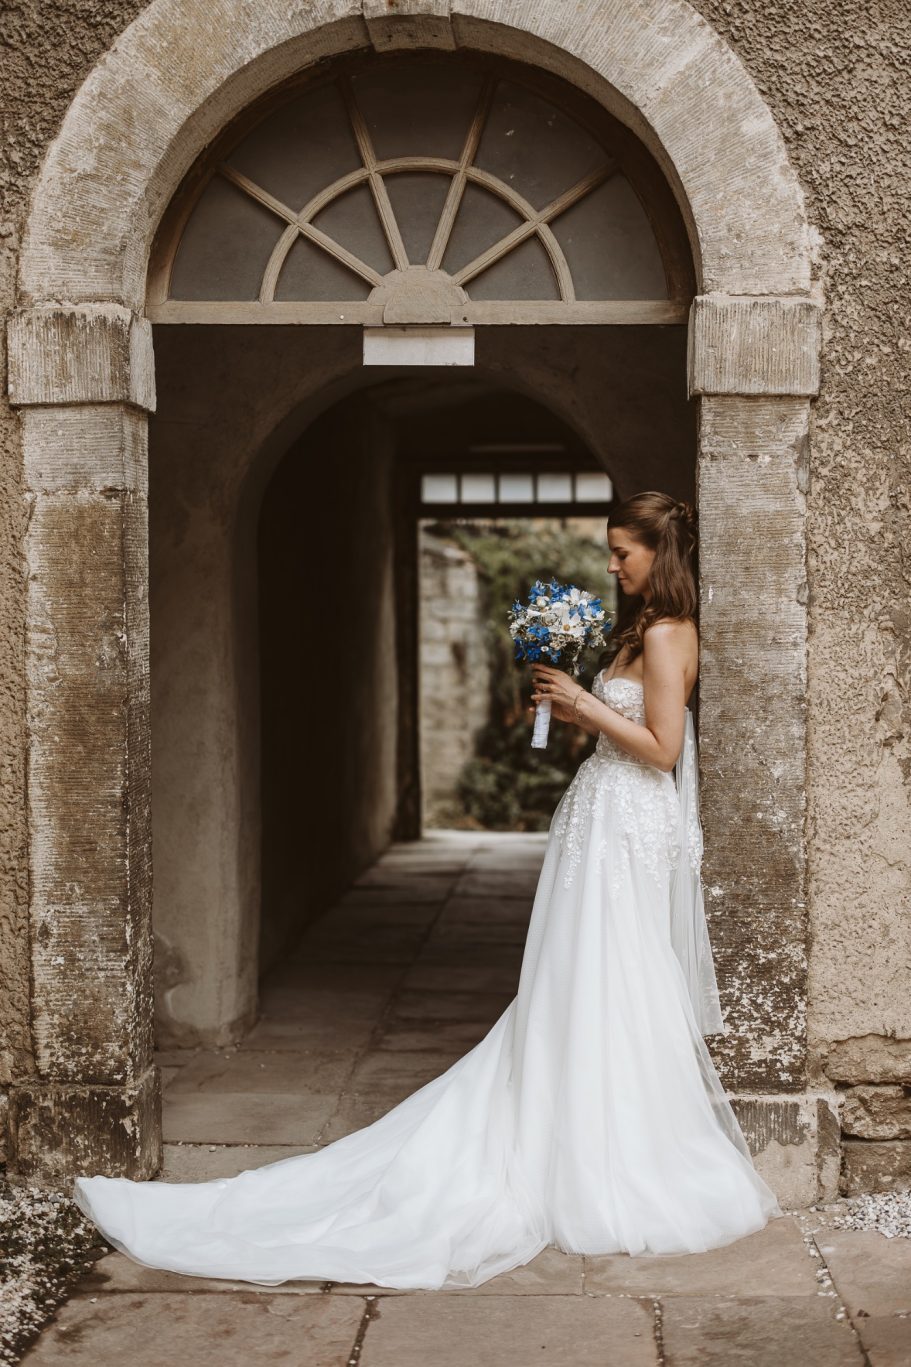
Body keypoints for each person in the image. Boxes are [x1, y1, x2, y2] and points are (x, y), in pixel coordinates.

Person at [72, 489, 780, 1290]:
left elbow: (660, 750)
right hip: (601, 824)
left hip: (627, 828)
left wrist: (584, 705)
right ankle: (580, 1134)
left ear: (663, 551)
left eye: (624, 552)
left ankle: (617, 1157)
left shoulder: (664, 633)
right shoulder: (636, 629)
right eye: (612, 552)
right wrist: (576, 713)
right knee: (578, 980)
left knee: (616, 980)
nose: (612, 565)